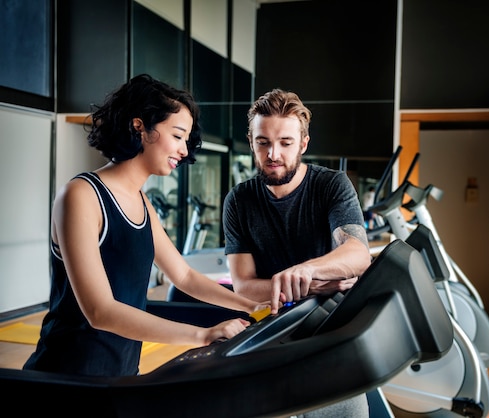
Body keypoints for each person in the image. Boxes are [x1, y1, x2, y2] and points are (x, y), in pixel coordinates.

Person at [23, 74, 267, 378]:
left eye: (186, 139)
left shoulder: (142, 204)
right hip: (68, 375)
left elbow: (185, 276)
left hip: (121, 374)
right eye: (177, 136)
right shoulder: (81, 195)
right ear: (139, 127)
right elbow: (100, 311)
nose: (183, 149)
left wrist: (251, 305)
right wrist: (203, 335)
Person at [222, 88, 372, 417]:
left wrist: (304, 271)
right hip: (274, 340)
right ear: (252, 142)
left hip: (331, 337)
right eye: (263, 142)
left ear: (303, 143)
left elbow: (358, 254)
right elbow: (244, 285)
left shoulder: (332, 185)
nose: (273, 153)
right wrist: (315, 284)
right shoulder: (239, 201)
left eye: (286, 143)